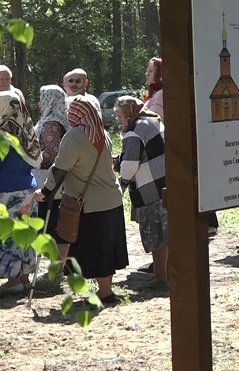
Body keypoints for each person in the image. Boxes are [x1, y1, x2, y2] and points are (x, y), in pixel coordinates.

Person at [33, 96, 129, 304]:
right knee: (106, 247)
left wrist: (45, 191)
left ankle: (104, 294)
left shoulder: (75, 136)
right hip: (112, 198)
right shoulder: (102, 133)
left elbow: (60, 168)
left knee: (96, 248)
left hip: (89, 203)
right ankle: (106, 290)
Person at [114, 96, 168, 284]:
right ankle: (167, 273)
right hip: (167, 184)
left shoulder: (134, 132)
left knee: (157, 236)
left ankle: (160, 278)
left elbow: (129, 167)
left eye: (120, 116)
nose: (118, 120)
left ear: (129, 113)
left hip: (150, 189)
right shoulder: (152, 120)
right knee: (167, 233)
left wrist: (120, 183)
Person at [0, 92, 41, 295]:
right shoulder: (26, 130)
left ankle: (14, 279)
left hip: (6, 190)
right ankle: (23, 278)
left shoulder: (3, 134)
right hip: (27, 188)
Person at [33, 85, 69, 261]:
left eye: (42, 98)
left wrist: (29, 158)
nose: (39, 103)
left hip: (51, 182)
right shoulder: (62, 119)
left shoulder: (51, 125)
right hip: (61, 181)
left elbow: (51, 156)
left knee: (52, 223)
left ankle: (57, 266)